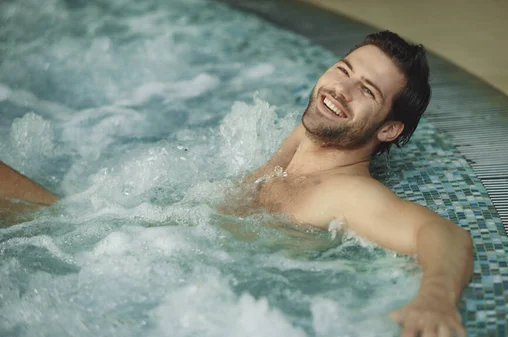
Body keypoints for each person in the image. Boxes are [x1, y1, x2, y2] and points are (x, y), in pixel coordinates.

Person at [0, 31, 473, 337]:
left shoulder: (344, 191)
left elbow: (445, 234)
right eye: (343, 71)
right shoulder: (306, 142)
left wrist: (434, 298)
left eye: (366, 92)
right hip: (119, 241)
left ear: (388, 129)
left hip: (154, 284)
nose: (338, 91)